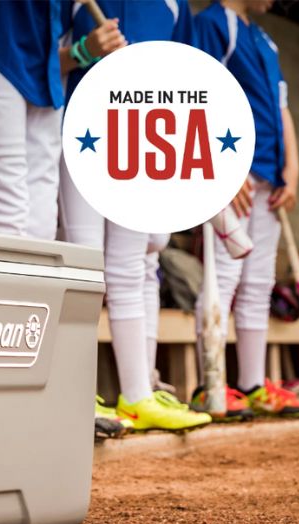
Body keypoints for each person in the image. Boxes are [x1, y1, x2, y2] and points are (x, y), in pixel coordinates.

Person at [60, 0, 212, 432]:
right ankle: (75, 397)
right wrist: (85, 52)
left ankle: (138, 395)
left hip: (141, 141)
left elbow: (185, 80)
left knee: (129, 268)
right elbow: (50, 60)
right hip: (84, 131)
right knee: (84, 265)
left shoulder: (174, 6)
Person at [192, 0, 299, 418]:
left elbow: (281, 107)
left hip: (270, 178)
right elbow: (198, 93)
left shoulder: (265, 39)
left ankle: (252, 384)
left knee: (259, 282)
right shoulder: (212, 23)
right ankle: (211, 385)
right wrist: (222, 165)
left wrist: (293, 168)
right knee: (224, 275)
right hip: (235, 174)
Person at [0, 0, 71, 240]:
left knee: (43, 213)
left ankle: (35, 267)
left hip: (46, 51)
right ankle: (3, 266)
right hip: (2, 41)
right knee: (8, 206)